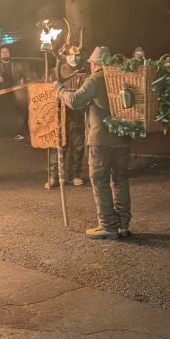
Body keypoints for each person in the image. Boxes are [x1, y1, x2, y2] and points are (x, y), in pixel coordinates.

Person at [56, 46, 132, 240]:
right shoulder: (121, 76)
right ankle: (123, 225)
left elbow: (75, 100)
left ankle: (107, 226)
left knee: (100, 181)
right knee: (120, 181)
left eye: (91, 62)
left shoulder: (96, 79)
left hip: (101, 140)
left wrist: (60, 90)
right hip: (123, 138)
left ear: (95, 64)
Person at [47, 38, 88, 188]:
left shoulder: (85, 73)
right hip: (60, 113)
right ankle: (53, 176)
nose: (73, 58)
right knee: (58, 144)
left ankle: (74, 174)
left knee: (78, 145)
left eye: (76, 55)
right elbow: (47, 89)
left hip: (78, 113)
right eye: (70, 54)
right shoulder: (57, 70)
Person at [0, 47, 26, 140]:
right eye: (2, 52)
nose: (5, 54)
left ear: (9, 53)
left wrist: (22, 81)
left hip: (13, 93)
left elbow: (22, 75)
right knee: (0, 113)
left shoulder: (16, 65)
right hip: (0, 93)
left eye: (6, 52)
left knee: (13, 113)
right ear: (0, 54)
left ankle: (16, 133)